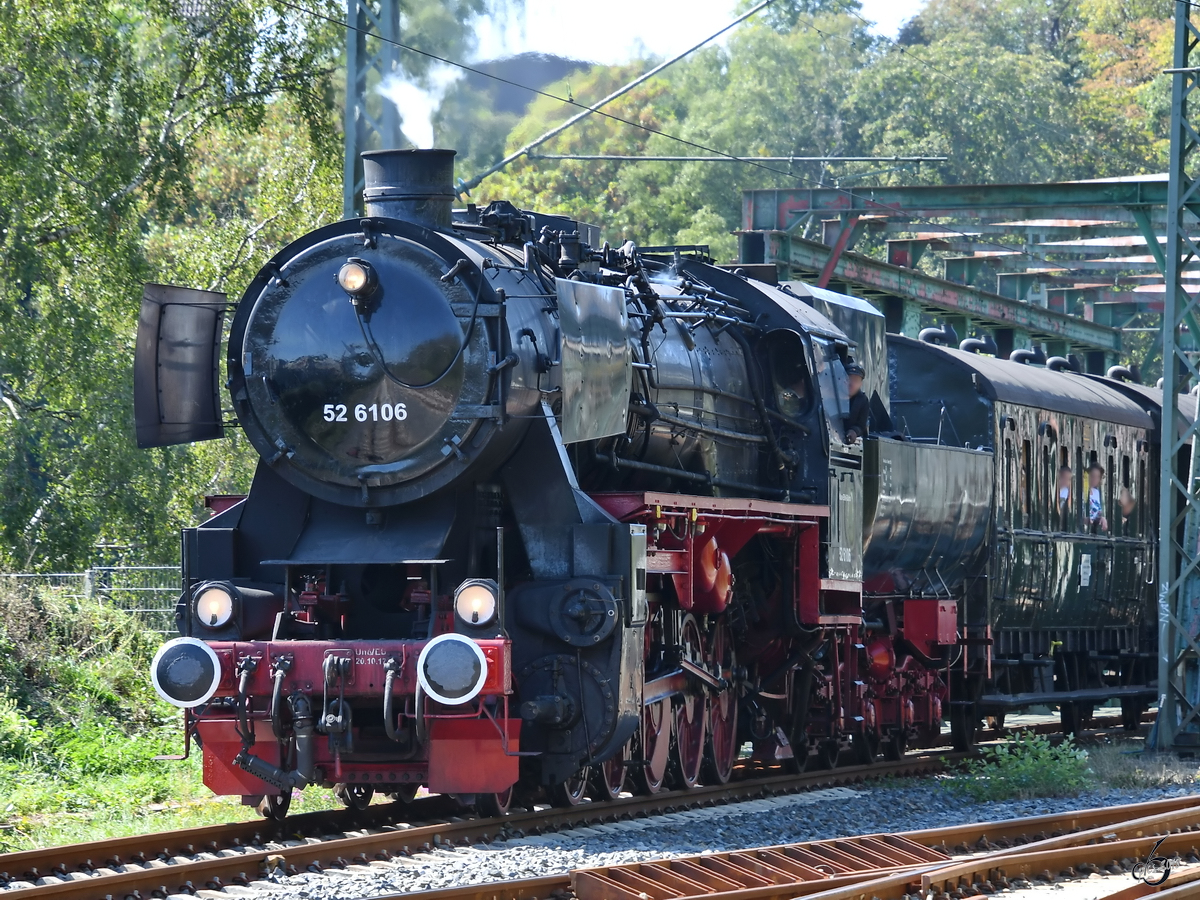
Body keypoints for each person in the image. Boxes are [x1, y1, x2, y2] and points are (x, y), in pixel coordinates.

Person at [843, 360, 869, 443]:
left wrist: (853, 431)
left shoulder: (862, 400)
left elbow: (861, 425)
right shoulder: (831, 395)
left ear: (860, 384)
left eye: (856, 381)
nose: (852, 384)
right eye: (849, 379)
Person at [1087, 463, 1108, 532]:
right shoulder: (1081, 492)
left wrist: (1102, 518)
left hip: (1095, 529)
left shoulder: (1097, 493)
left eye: (1097, 477)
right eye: (1092, 476)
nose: (1094, 479)